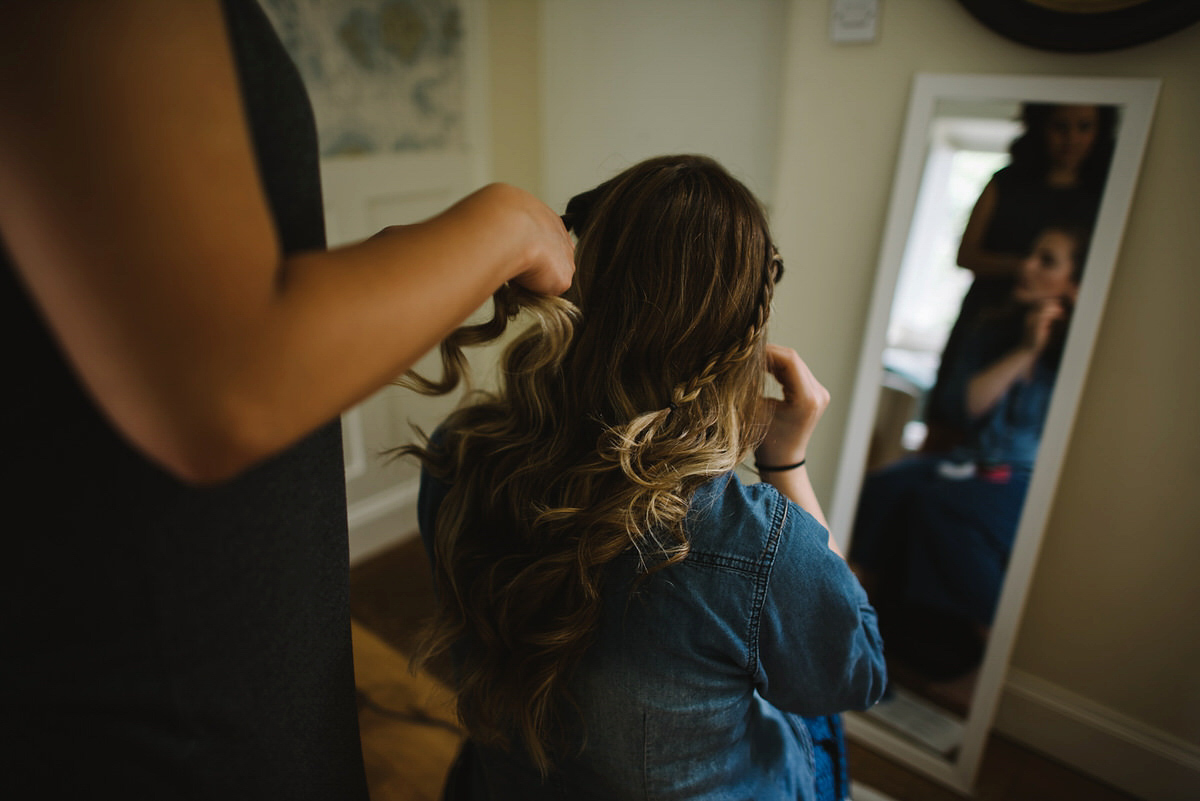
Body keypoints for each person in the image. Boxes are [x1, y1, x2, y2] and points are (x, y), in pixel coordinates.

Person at [0, 2, 573, 798]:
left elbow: (201, 294)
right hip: (155, 646)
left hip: (219, 612)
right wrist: (508, 223)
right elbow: (219, 380)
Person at [399, 155, 886, 800]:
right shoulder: (752, 544)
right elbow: (852, 676)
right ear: (742, 332)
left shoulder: (462, 448)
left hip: (501, 783)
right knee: (814, 706)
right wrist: (785, 459)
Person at [849, 223, 1090, 686]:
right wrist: (1023, 350)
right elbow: (968, 407)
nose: (1027, 266)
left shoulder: (1082, 353)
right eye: (1030, 254)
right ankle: (855, 621)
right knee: (884, 485)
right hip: (967, 461)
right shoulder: (992, 331)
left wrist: (1045, 348)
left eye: (1047, 261)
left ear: (1074, 285)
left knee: (940, 507)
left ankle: (989, 659)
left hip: (1023, 479)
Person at [924, 102, 1114, 450]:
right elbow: (967, 253)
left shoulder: (1105, 196)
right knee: (948, 422)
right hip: (989, 311)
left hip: (1049, 323)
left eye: (1084, 127)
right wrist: (1027, 270)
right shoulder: (1008, 181)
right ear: (1042, 127)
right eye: (1061, 126)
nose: (1071, 139)